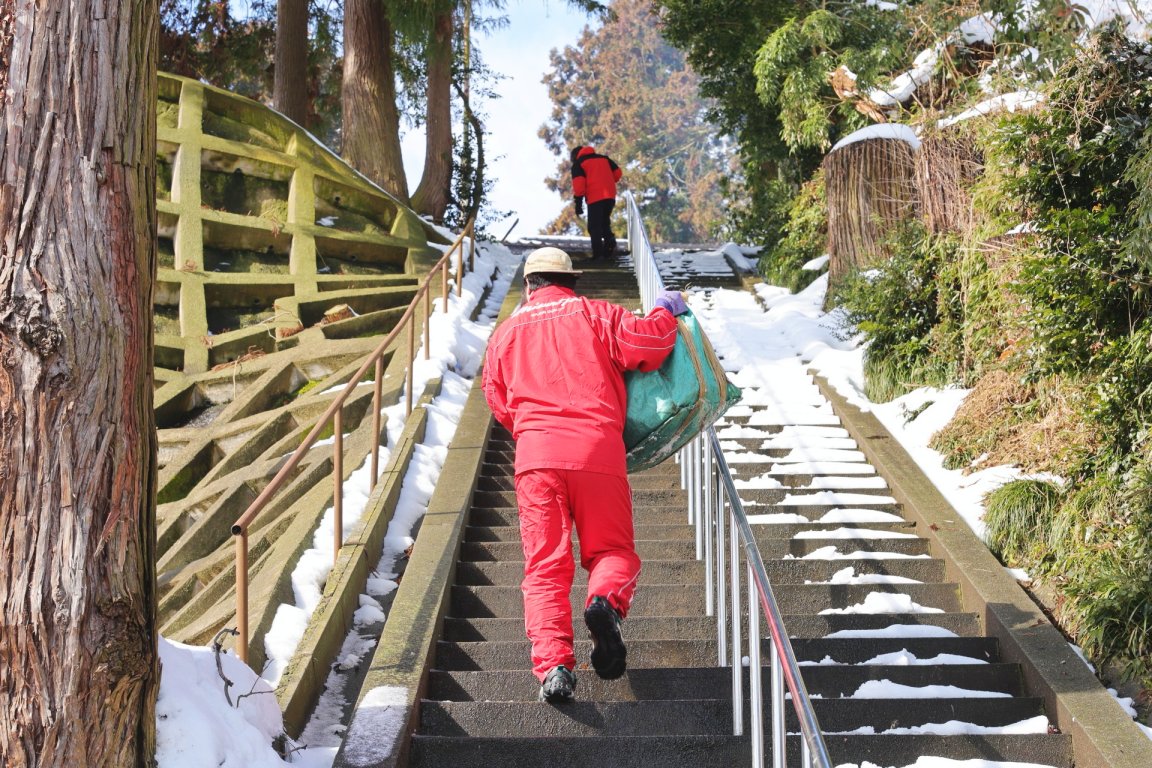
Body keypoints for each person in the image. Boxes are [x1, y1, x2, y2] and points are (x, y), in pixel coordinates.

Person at [481, 246, 689, 703]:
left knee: (544, 567)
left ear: (528, 286)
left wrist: (534, 433)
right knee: (612, 550)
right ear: (572, 282)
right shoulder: (597, 314)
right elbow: (649, 346)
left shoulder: (504, 335)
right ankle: (605, 602)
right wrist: (665, 310)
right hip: (596, 449)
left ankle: (554, 668)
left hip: (536, 458)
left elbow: (498, 401)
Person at [571, 145, 622, 261]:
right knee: (604, 223)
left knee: (594, 227)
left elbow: (579, 186)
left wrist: (578, 204)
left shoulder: (578, 164)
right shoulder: (604, 158)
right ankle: (609, 244)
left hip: (595, 197)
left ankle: (598, 255)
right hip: (610, 196)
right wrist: (606, 180)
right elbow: (618, 173)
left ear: (574, 156)